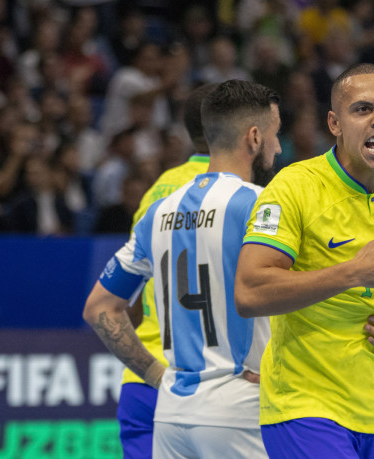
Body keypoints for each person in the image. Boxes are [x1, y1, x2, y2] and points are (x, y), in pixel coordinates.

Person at [235, 63, 374, 459]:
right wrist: (353, 273)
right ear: (335, 123)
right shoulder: (295, 188)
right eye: (363, 109)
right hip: (303, 406)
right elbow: (249, 291)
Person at [83, 80, 281, 458]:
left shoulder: (159, 209)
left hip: (173, 413)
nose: (279, 146)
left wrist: (157, 375)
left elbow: (99, 308)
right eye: (275, 135)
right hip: (240, 408)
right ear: (254, 138)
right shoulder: (262, 205)